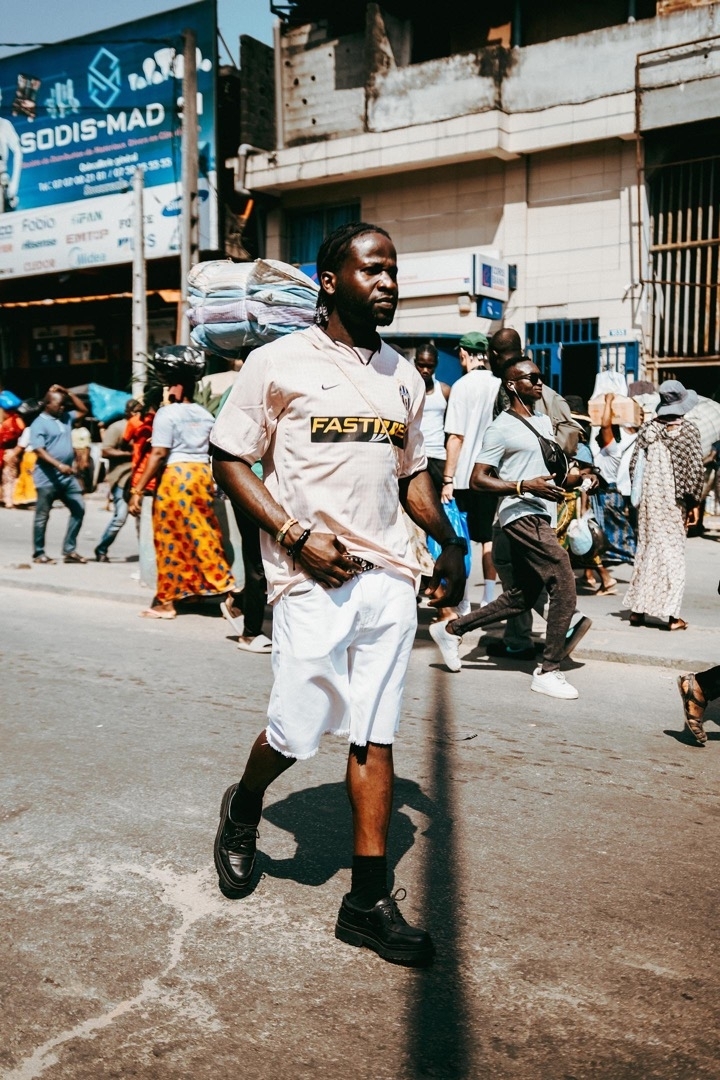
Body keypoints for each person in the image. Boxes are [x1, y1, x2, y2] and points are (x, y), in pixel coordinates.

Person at [210, 221, 466, 967]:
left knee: (373, 735)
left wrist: (449, 542)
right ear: (330, 280)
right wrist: (294, 536)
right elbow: (229, 458)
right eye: (372, 269)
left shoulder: (405, 376)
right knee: (297, 731)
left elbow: (412, 475)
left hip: (388, 576)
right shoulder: (277, 361)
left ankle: (366, 903)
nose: (388, 282)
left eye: (394, 270)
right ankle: (245, 804)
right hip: (310, 576)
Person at [429, 356, 588, 699]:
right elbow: (478, 479)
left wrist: (580, 478)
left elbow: (549, 473)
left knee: (521, 597)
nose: (539, 382)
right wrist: (522, 486)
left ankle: (452, 629)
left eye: (540, 376)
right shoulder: (500, 427)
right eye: (531, 378)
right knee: (563, 579)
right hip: (520, 514)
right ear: (512, 385)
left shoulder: (542, 421)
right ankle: (549, 670)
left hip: (541, 512)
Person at [127, 376, 235, 619]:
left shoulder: (167, 413)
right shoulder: (205, 414)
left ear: (177, 388)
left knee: (170, 539)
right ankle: (207, 591)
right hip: (201, 475)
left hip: (176, 478)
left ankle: (166, 603)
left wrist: (137, 490)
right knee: (203, 534)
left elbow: (159, 453)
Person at [624, 380, 704, 631]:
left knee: (647, 549)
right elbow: (695, 471)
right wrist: (694, 503)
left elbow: (633, 466)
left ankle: (637, 611)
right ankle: (672, 616)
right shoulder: (688, 431)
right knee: (672, 555)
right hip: (673, 503)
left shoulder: (647, 430)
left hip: (649, 502)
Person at [442, 331, 499, 607]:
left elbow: (456, 437)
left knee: (462, 537)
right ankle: (488, 597)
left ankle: (463, 599)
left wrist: (447, 478)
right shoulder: (499, 385)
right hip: (492, 475)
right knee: (488, 538)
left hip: (465, 475)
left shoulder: (461, 387)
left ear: (464, 354)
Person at [29, 385, 88, 564]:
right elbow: (39, 450)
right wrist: (58, 465)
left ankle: (69, 550)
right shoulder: (38, 424)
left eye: (64, 404)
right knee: (42, 516)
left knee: (79, 509)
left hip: (67, 478)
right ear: (47, 404)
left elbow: (83, 410)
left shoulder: (66, 418)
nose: (62, 408)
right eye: (58, 405)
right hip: (47, 478)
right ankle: (39, 553)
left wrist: (67, 392)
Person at [592, 393, 638, 566]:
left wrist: (609, 401)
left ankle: (633, 556)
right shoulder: (606, 451)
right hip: (606, 494)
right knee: (604, 531)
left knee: (615, 531)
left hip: (608, 494)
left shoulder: (612, 449)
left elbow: (605, 426)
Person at [94, 399, 141, 562]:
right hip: (121, 478)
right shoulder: (117, 427)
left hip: (140, 479)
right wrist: (130, 455)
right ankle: (102, 548)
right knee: (120, 517)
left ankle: (146, 554)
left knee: (142, 519)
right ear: (130, 412)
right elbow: (106, 451)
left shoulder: (145, 427)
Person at [414, 343, 450, 494]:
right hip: (415, 457)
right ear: (415, 362)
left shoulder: (445, 391)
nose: (425, 370)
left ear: (436, 365)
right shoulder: (408, 390)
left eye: (430, 366)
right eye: (421, 365)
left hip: (438, 457)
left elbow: (451, 430)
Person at [0, 393, 24, 508]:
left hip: (7, 452)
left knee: (7, 477)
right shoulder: (18, 420)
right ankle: (11, 498)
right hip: (14, 452)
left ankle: (9, 500)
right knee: (12, 476)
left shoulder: (5, 423)